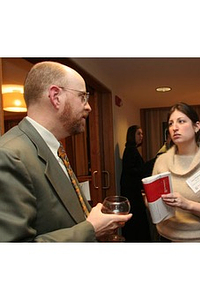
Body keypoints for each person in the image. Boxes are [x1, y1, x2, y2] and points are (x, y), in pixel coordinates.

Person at [0, 61, 132, 242]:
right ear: (56, 96)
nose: (88, 106)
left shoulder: (53, 148)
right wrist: (91, 229)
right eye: (82, 96)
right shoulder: (9, 155)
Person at [152, 102, 200, 242]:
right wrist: (151, 202)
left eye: (181, 121)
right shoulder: (161, 161)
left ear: (196, 126)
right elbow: (154, 203)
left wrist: (188, 205)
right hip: (166, 238)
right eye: (170, 124)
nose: (174, 128)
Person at [120, 125, 152, 242]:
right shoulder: (130, 150)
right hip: (132, 194)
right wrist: (149, 165)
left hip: (132, 192)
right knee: (137, 221)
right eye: (138, 134)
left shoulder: (131, 149)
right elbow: (132, 170)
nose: (141, 136)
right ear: (132, 135)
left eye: (142, 134)